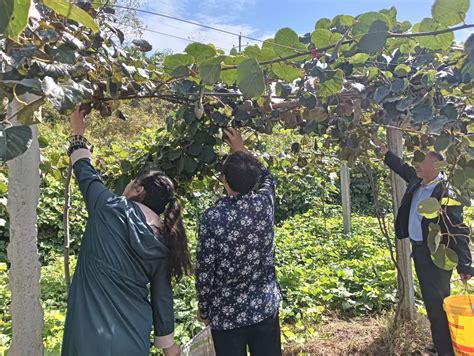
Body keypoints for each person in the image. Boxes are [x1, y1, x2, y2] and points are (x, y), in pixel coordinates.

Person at [62, 106, 191, 356]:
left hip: (87, 338)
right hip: (132, 339)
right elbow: (162, 299)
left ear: (138, 190)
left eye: (133, 181)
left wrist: (78, 133)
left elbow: (85, 172)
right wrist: (169, 347)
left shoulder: (107, 207)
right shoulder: (163, 242)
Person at [372, 137, 473, 356]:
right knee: (432, 302)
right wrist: (385, 152)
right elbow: (402, 168)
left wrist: (465, 264)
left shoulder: (446, 193)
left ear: (436, 166)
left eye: (422, 161)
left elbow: (458, 229)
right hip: (419, 251)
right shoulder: (418, 181)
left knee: (438, 305)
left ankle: (445, 351)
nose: (417, 164)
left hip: (435, 255)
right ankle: (441, 344)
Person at [195, 128, 282, 356]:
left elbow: (205, 270)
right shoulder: (264, 204)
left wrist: (204, 309)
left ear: (224, 180)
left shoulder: (213, 217)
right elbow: (268, 176)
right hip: (264, 307)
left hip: (227, 315)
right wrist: (240, 149)